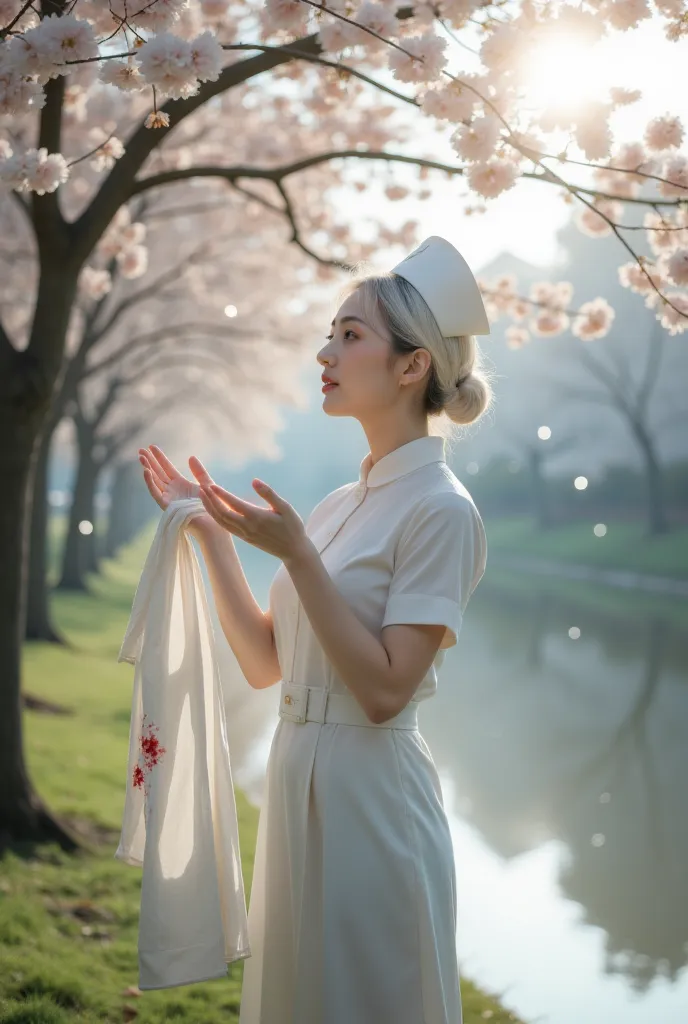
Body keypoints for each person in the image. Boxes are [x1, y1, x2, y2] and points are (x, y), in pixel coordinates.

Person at [138, 235, 493, 1024]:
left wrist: (297, 554)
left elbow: (383, 689)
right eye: (329, 333)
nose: (326, 351)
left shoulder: (442, 510)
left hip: (373, 795)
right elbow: (269, 664)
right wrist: (209, 535)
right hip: (299, 778)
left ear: (412, 367)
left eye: (351, 335)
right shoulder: (338, 504)